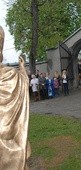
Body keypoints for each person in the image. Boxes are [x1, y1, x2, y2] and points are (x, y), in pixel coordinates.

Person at [0, 25, 31, 169]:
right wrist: (22, 68)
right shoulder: (11, 74)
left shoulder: (11, 74)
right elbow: (25, 83)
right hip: (10, 139)